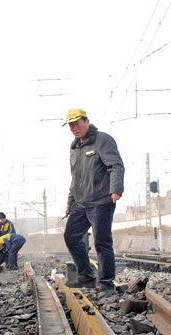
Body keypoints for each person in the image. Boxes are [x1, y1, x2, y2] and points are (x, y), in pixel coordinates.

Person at [62, 109, 124, 299]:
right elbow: (76, 178)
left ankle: (106, 283)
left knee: (102, 243)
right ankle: (86, 276)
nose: (74, 128)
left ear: (87, 121)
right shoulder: (75, 147)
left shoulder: (102, 140)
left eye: (77, 123)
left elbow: (116, 165)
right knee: (71, 236)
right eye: (71, 125)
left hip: (101, 201)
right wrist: (70, 201)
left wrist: (116, 190)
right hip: (81, 202)